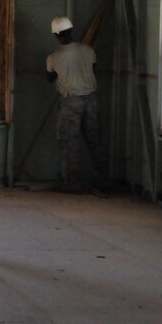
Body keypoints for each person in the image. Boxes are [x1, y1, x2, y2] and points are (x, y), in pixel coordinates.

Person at [46, 16, 108, 194]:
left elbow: (49, 78)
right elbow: (93, 71)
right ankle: (104, 178)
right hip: (91, 98)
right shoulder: (88, 51)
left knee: (69, 140)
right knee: (94, 138)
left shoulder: (54, 57)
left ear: (56, 35)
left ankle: (73, 181)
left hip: (71, 100)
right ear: (71, 31)